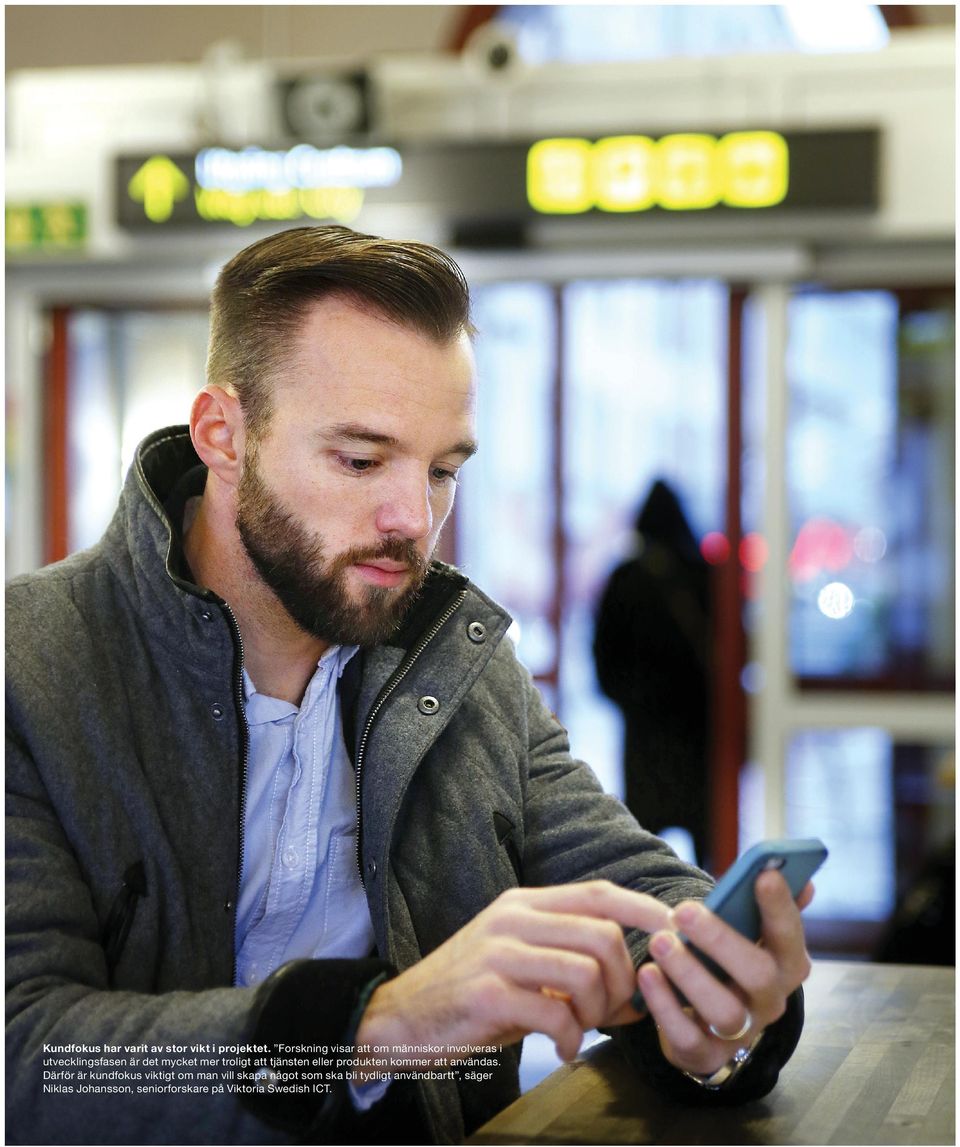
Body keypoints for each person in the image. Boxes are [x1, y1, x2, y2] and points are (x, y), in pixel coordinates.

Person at [7, 225, 813, 1146]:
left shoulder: (455, 664)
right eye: (359, 460)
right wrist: (373, 1028)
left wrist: (723, 1001)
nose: (412, 520)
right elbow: (23, 1057)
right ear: (223, 435)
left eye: (442, 470)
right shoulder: (30, 667)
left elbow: (638, 893)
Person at [593, 479, 713, 866]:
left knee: (644, 838)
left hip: (645, 731)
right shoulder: (705, 576)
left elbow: (603, 652)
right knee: (706, 837)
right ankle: (709, 915)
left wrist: (630, 699)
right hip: (698, 730)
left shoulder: (626, 577)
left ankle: (645, 918)